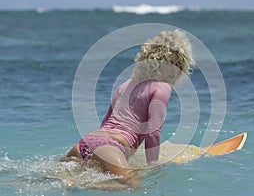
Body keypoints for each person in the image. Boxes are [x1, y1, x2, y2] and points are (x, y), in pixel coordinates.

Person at [60, 29, 195, 190]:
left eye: (179, 64)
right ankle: (79, 186)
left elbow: (105, 122)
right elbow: (153, 132)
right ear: (157, 61)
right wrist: (153, 164)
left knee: (48, 177)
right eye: (171, 63)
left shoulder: (125, 85)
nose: (176, 69)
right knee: (133, 184)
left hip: (85, 143)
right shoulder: (162, 87)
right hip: (111, 145)